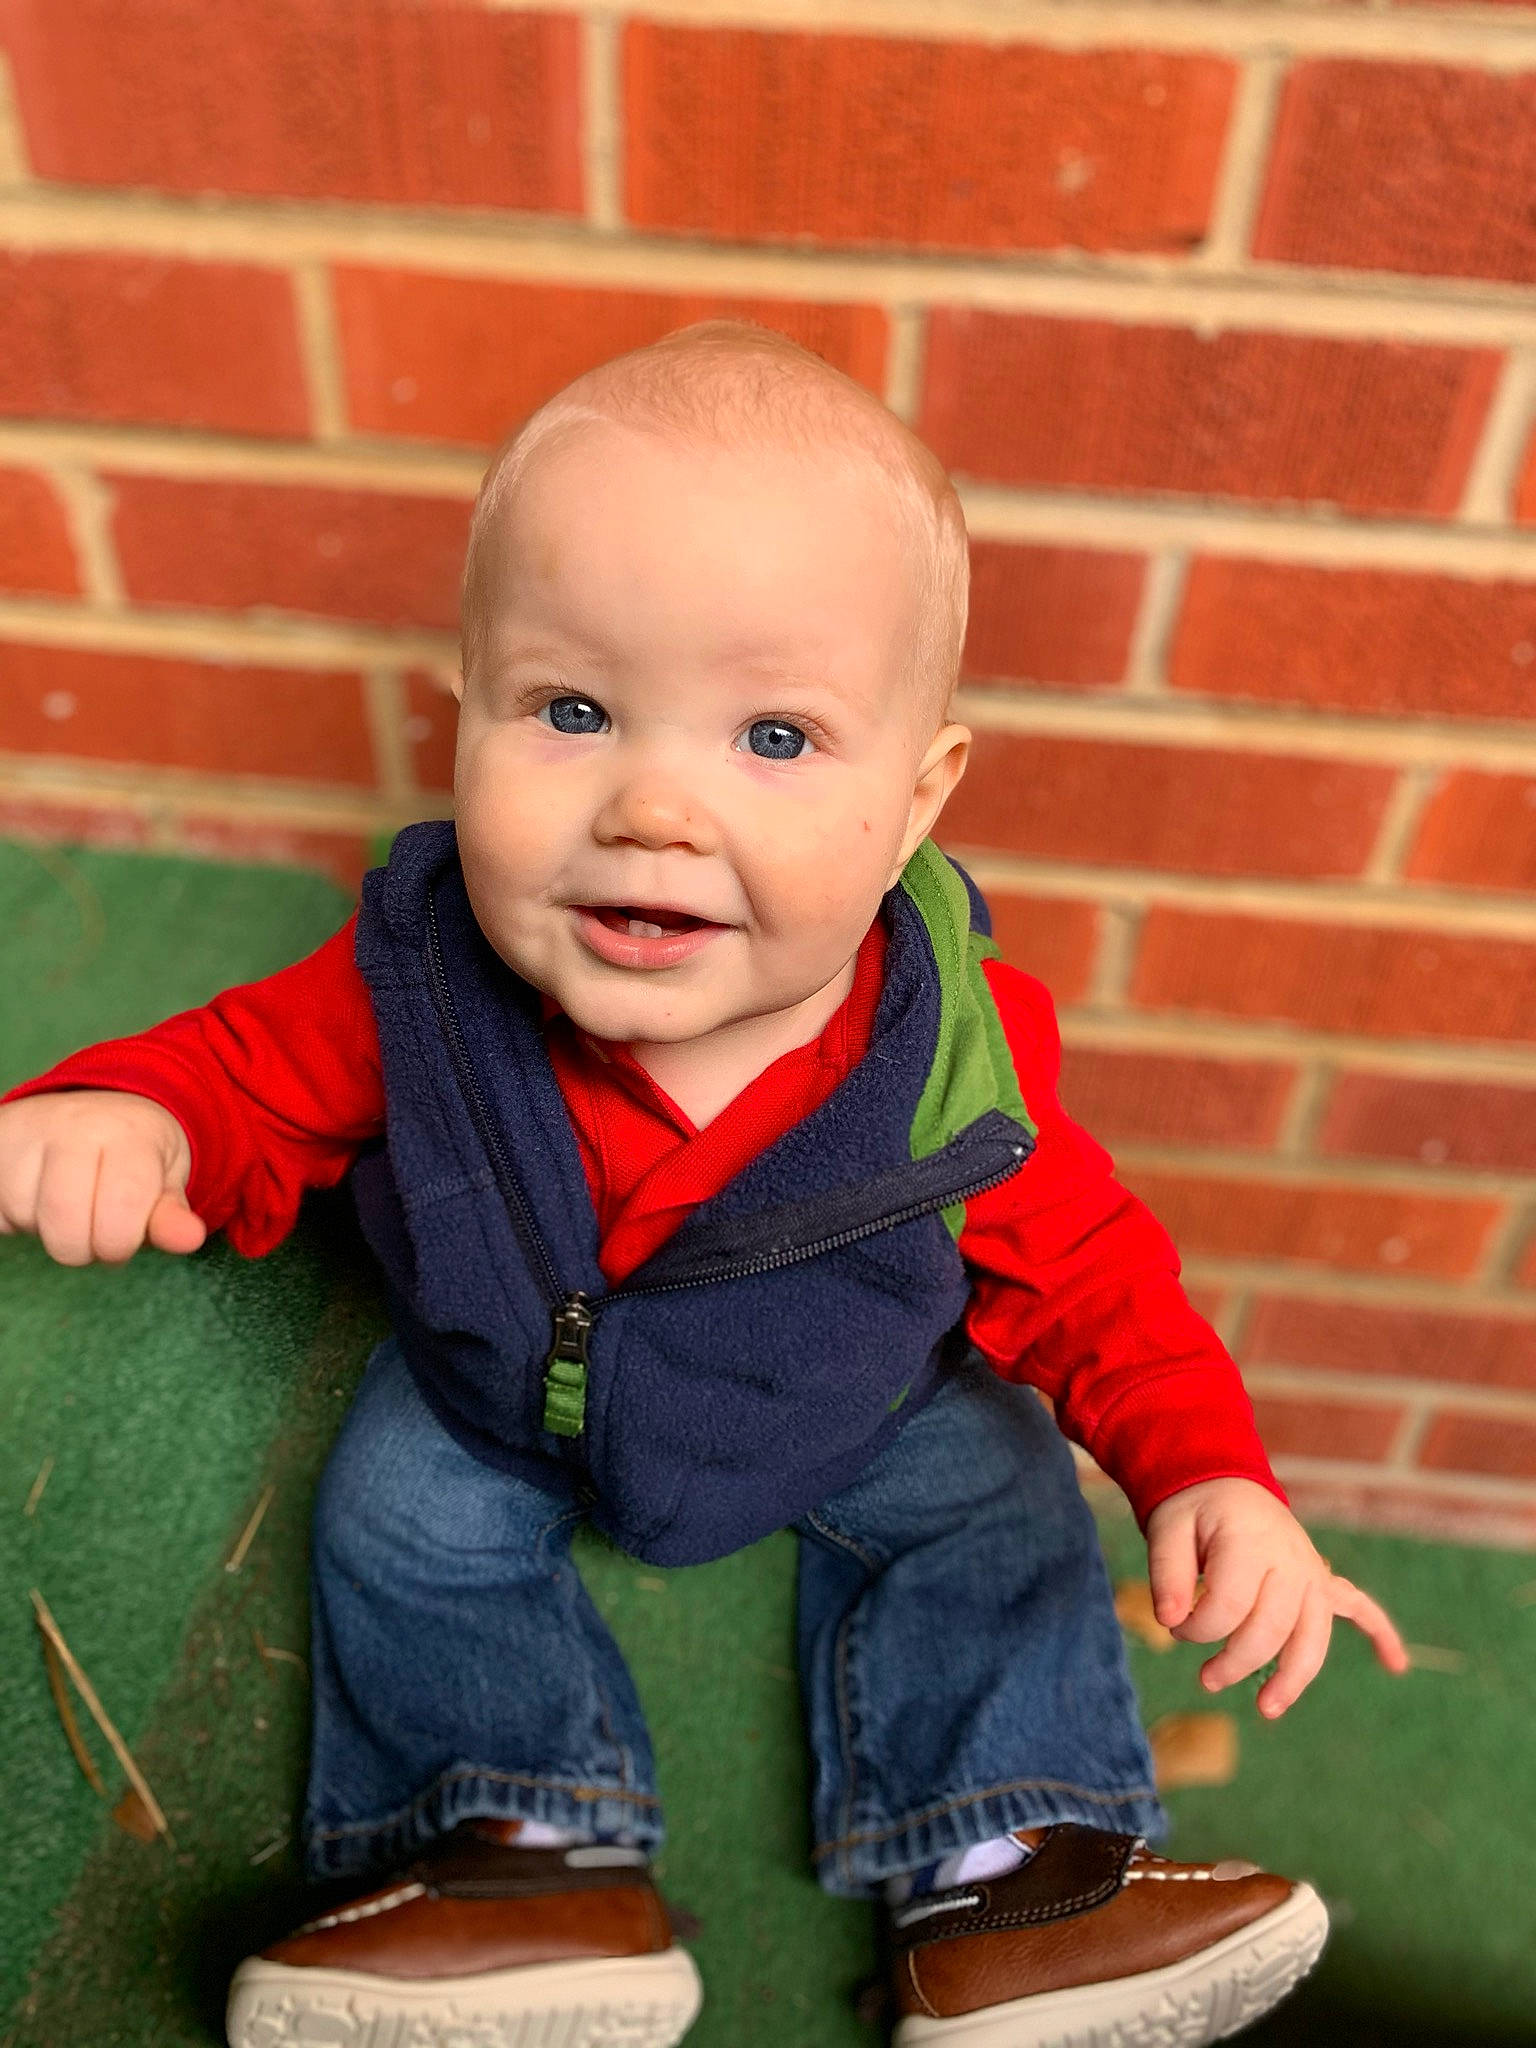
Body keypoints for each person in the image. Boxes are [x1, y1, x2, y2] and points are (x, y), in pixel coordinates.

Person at [0, 322, 1408, 2048]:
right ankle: (514, 1847)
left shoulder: (946, 1060)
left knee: (1004, 1498)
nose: (653, 803)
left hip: (855, 1400)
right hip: (500, 1398)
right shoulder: (423, 983)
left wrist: (1210, 1471)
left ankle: (1013, 1861)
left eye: (777, 738)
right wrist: (122, 1115)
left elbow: (1099, 1274)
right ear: (465, 722)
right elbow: (237, 1075)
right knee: (398, 1519)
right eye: (573, 710)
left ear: (916, 802)